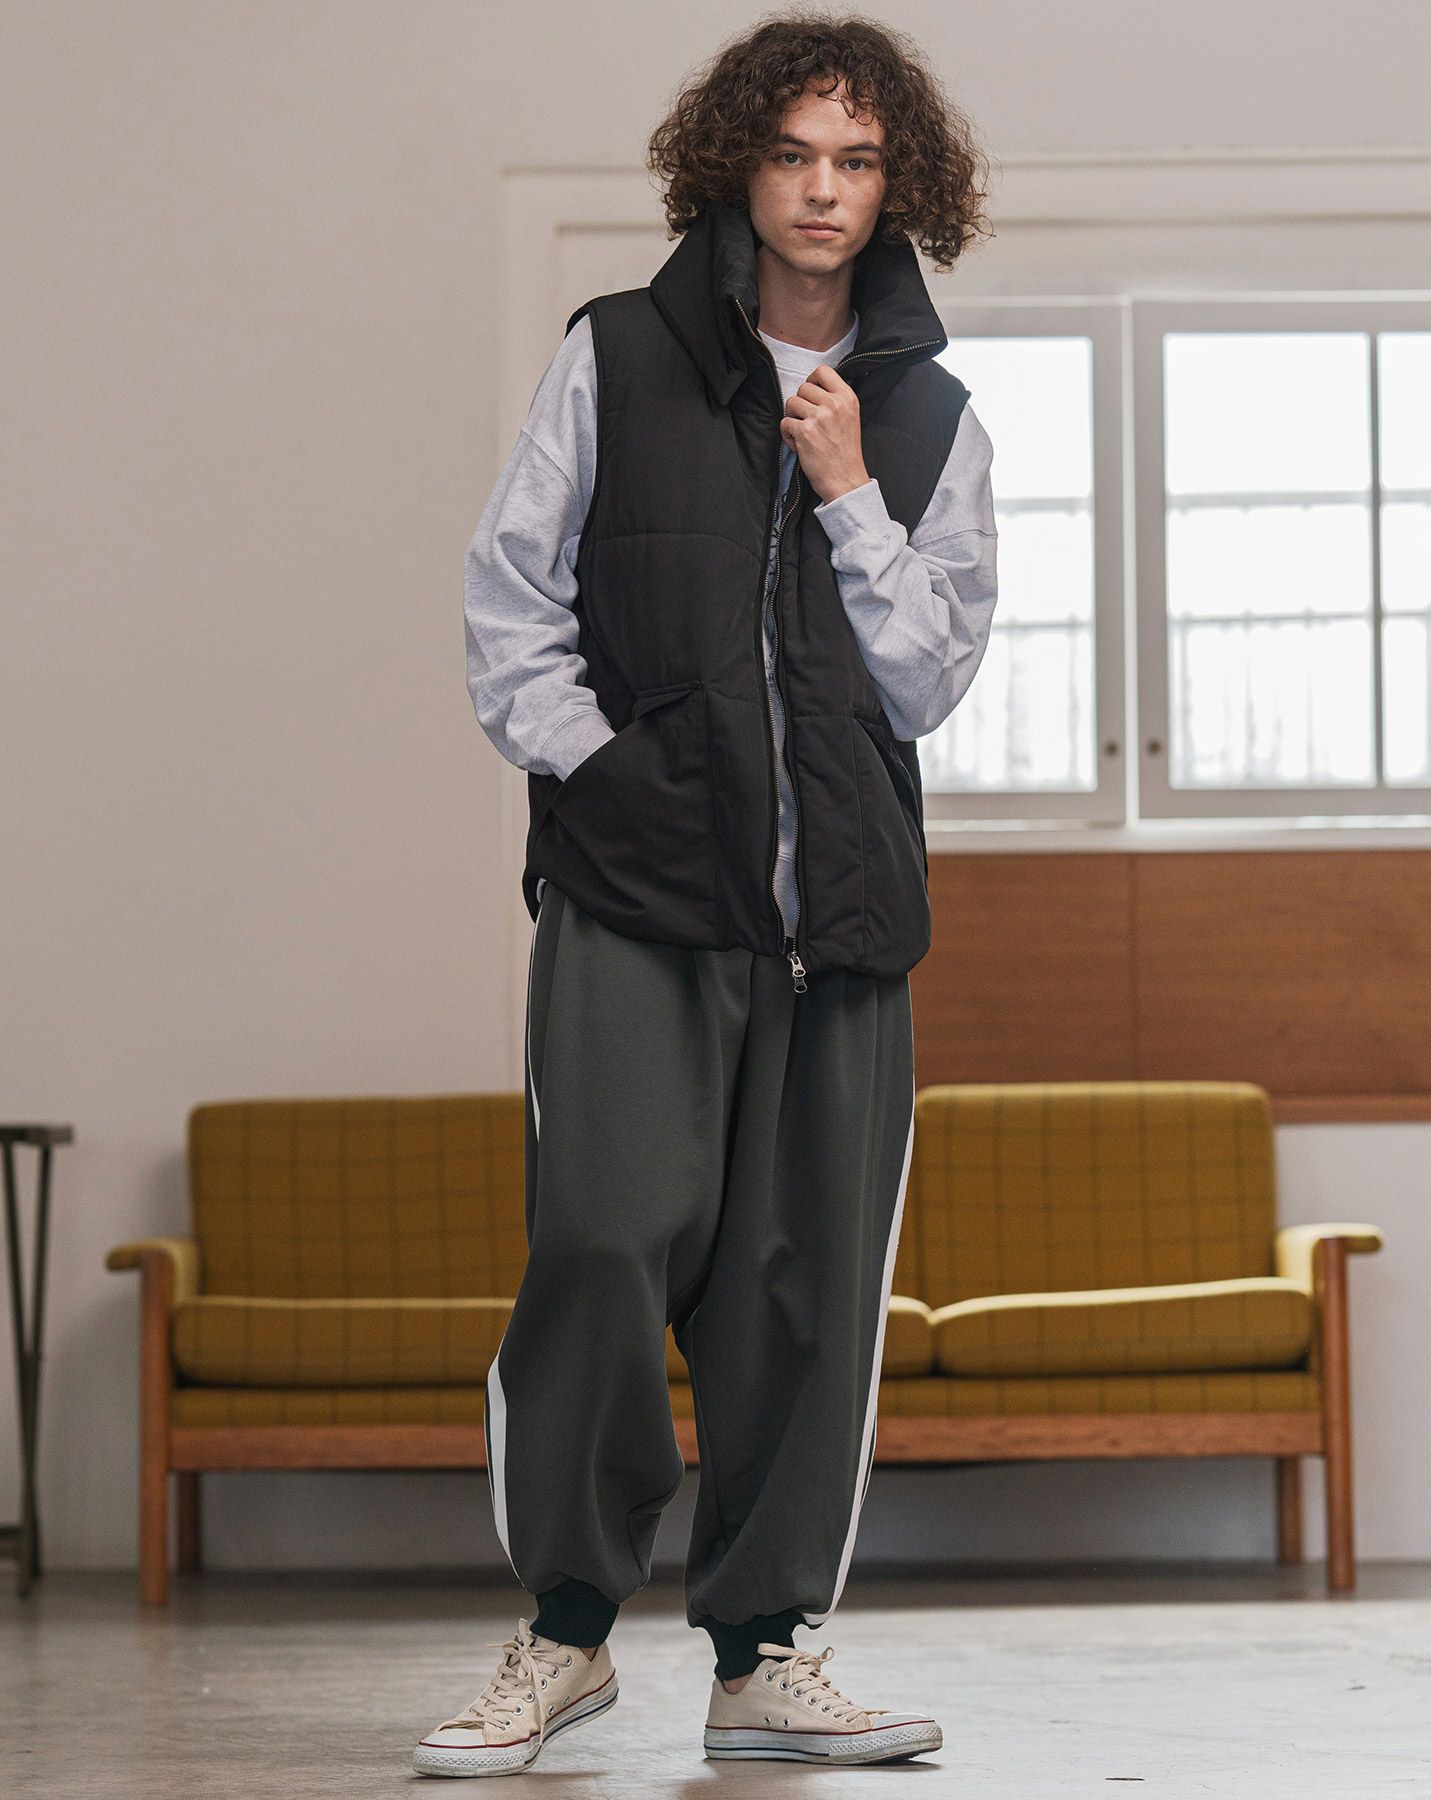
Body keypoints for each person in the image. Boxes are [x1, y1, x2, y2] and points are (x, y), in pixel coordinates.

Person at [416, 11, 997, 1778]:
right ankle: (564, 1634)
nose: (824, 191)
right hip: (639, 893)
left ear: (898, 186)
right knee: (602, 1241)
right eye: (795, 154)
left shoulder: (929, 416)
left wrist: (850, 494)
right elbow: (510, 599)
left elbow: (929, 679)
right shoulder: (618, 355)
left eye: (858, 160)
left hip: (843, 926)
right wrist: (607, 775)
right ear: (737, 165)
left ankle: (766, 1660)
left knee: (802, 1293)